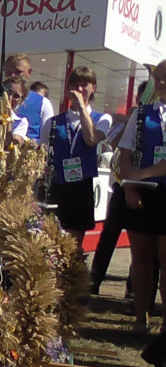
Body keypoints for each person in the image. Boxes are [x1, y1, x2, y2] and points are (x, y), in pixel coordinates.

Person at [118, 59, 166, 334]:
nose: (158, 82)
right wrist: (132, 185)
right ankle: (140, 318)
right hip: (144, 194)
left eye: (163, 77)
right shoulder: (142, 114)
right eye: (156, 77)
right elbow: (124, 161)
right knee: (141, 258)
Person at [40, 66, 111, 249]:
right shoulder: (53, 122)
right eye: (75, 85)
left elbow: (91, 139)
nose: (79, 90)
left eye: (84, 85)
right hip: (57, 185)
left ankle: (72, 275)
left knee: (73, 245)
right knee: (50, 240)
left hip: (81, 187)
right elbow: (41, 152)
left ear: (93, 87)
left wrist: (82, 110)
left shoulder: (102, 118)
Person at [91, 81, 148, 295]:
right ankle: (94, 280)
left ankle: (134, 286)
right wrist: (130, 121)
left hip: (145, 184)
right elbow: (114, 142)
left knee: (140, 238)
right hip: (122, 183)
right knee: (109, 233)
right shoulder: (133, 118)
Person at [2, 52, 54, 142]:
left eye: (18, 72)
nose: (13, 76)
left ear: (29, 72)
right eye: (9, 72)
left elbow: (48, 139)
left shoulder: (43, 103)